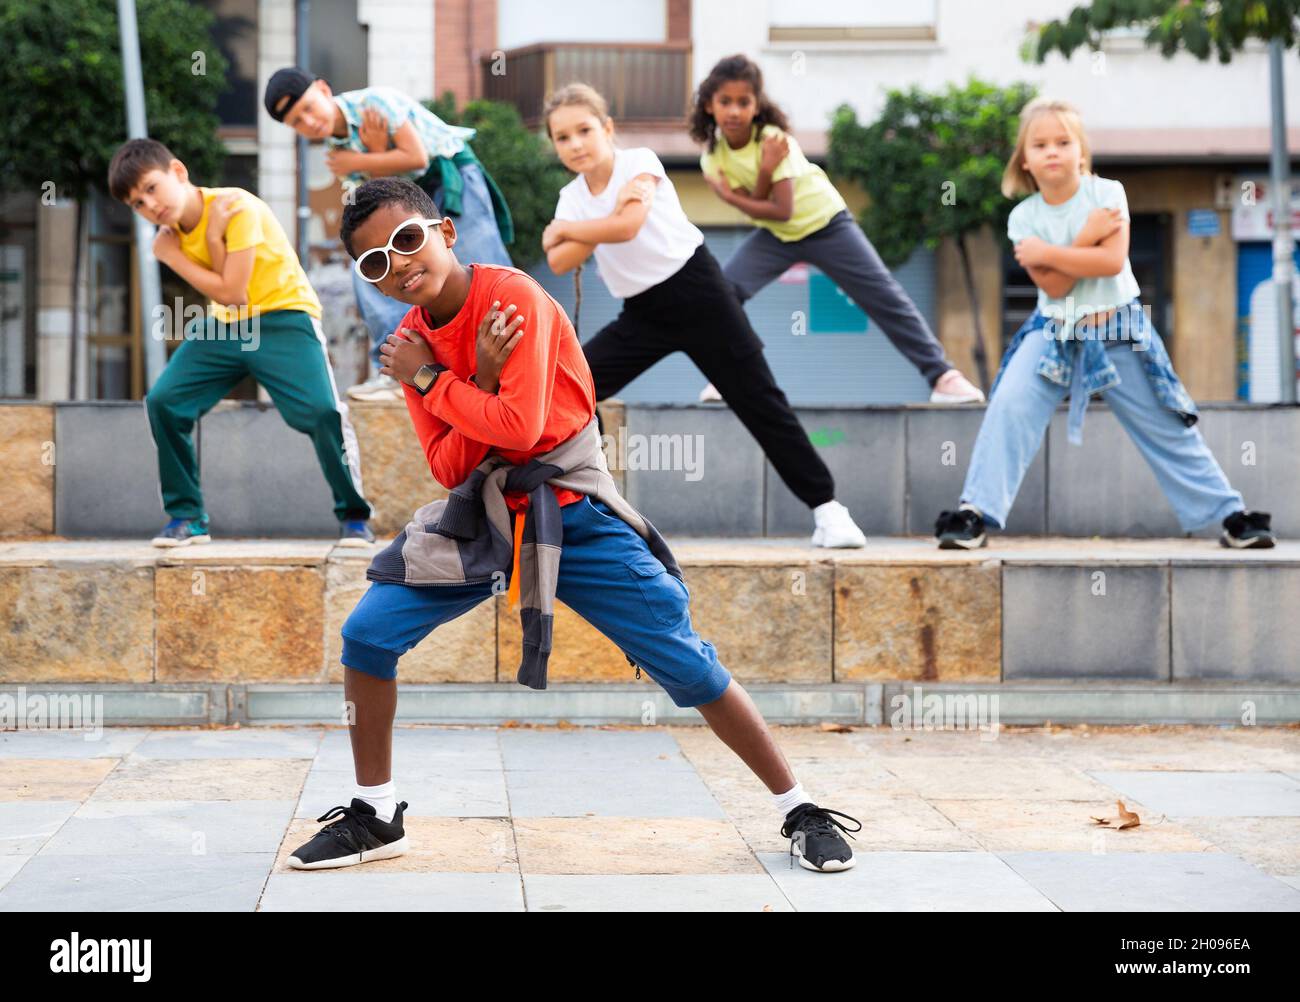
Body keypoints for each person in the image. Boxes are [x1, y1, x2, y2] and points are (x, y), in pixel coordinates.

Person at [286, 176, 862, 874]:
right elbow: (448, 466)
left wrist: (440, 383)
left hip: (574, 511)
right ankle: (376, 813)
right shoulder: (409, 342)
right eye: (375, 261)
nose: (399, 263)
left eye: (406, 239)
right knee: (367, 635)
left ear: (442, 232)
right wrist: (474, 383)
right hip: (487, 514)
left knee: (685, 661)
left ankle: (797, 807)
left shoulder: (512, 299)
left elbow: (523, 429)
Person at [933, 98, 1274, 550]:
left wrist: (1054, 251)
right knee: (1010, 405)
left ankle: (1230, 515)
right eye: (1040, 144)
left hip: (1118, 329)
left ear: (1081, 152)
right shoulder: (1023, 216)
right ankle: (974, 512)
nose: (1052, 151)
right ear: (1025, 160)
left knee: (1166, 421)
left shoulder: (1108, 195)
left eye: (1063, 141)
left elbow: (1111, 261)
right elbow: (1054, 289)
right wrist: (1084, 240)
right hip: (1052, 331)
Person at [542, 82, 868, 548]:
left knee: (759, 398)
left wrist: (572, 229)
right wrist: (604, 222)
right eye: (562, 137)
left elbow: (626, 226)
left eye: (584, 131)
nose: (575, 144)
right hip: (642, 312)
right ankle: (590, 506)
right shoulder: (571, 194)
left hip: (700, 294)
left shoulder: (640, 163)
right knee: (570, 388)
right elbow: (556, 260)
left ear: (608, 128)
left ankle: (829, 510)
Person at [108, 138, 374, 547]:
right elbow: (227, 299)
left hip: (283, 316)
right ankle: (187, 517)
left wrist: (172, 257)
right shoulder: (175, 230)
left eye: (150, 188)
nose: (149, 205)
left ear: (178, 172)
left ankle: (355, 518)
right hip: (225, 325)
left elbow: (234, 291)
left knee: (321, 412)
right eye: (137, 204)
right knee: (164, 401)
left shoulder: (237, 207)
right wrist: (207, 245)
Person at [692, 54, 984, 406]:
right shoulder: (713, 157)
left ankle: (943, 376)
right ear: (709, 105)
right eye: (725, 102)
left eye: (744, 102)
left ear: (757, 106)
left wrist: (729, 194)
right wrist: (763, 176)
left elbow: (782, 209)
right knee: (721, 294)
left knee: (882, 295)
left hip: (826, 223)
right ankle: (727, 378)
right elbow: (761, 204)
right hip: (778, 236)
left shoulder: (773, 140)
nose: (735, 111)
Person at [264, 67, 514, 402]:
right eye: (296, 122)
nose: (308, 123)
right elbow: (373, 204)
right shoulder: (338, 152)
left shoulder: (373, 103)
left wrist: (365, 158)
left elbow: (417, 157)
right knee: (370, 268)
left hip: (450, 176)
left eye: (308, 108)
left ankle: (515, 346)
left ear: (323, 89)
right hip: (407, 202)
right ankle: (397, 368)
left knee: (480, 262)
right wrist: (373, 157)